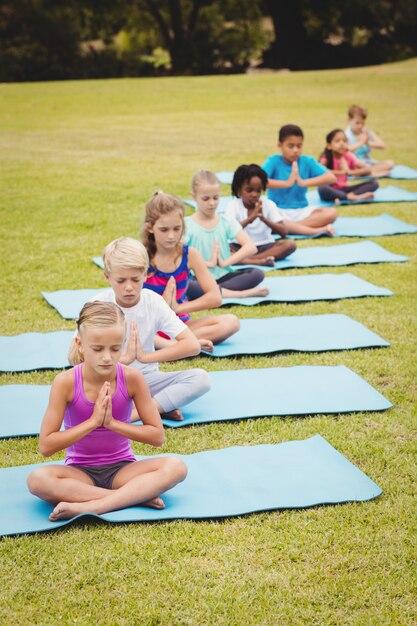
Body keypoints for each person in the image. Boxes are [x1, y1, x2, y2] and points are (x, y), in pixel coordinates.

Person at [27, 301, 188, 521]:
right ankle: (134, 497)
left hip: (123, 470)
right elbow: (46, 445)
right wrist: (93, 422)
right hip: (79, 472)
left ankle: (94, 505)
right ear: (80, 344)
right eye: (97, 349)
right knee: (37, 479)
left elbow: (157, 437)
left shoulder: (132, 378)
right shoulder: (65, 382)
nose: (107, 357)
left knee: (176, 467)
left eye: (115, 348)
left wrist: (112, 424)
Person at [75, 237, 210, 422]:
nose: (129, 287)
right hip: (107, 381)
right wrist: (122, 361)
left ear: (146, 274)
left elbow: (192, 345)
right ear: (107, 277)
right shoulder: (97, 305)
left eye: (135, 279)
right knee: (84, 394)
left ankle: (135, 414)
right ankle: (160, 406)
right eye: (121, 280)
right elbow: (75, 357)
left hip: (146, 380)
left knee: (201, 379)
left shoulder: (153, 301)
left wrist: (145, 357)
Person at [142, 191, 240, 352]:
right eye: (164, 229)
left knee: (231, 322)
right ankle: (180, 346)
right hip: (148, 328)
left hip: (179, 326)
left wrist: (177, 308)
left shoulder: (190, 254)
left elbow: (215, 297)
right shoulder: (141, 257)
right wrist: (162, 309)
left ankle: (178, 345)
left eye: (177, 228)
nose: (172, 236)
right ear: (150, 228)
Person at [185, 170, 269, 300]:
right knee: (187, 285)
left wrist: (225, 263)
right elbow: (179, 259)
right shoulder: (186, 224)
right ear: (193, 196)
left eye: (216, 198)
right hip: (198, 278)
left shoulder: (225, 220)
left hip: (224, 276)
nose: (212, 203)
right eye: (206, 199)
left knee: (257, 274)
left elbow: (251, 247)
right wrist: (207, 264)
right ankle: (240, 294)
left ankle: (214, 291)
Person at [225, 164, 334, 260]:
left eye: (258, 190)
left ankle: (251, 259)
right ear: (239, 190)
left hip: (265, 246)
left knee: (289, 244)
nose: (254, 194)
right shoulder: (233, 206)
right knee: (220, 248)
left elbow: (283, 232)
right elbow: (228, 233)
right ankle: (252, 259)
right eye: (249, 190)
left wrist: (264, 219)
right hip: (240, 246)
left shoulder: (268, 204)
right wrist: (250, 219)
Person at [262, 124, 337, 228]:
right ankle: (295, 227)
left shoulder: (307, 161)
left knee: (331, 213)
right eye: (291, 146)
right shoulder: (273, 161)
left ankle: (289, 227)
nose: (295, 150)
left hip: (302, 211)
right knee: (259, 213)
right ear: (280, 145)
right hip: (277, 210)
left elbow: (331, 178)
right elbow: (259, 182)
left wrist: (303, 182)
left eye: (299, 146)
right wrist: (287, 183)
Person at [318, 128, 379, 203]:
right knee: (322, 188)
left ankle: (350, 195)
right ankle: (351, 197)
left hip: (344, 189)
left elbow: (367, 169)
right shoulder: (326, 157)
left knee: (374, 183)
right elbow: (320, 172)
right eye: (337, 141)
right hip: (330, 189)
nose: (342, 143)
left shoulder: (348, 155)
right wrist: (342, 172)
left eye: (344, 141)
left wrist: (349, 172)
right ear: (329, 146)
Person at [345, 104, 394, 177]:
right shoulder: (346, 135)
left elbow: (382, 145)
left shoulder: (366, 131)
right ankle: (369, 173)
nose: (360, 126)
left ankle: (368, 172)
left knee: (390, 163)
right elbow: (346, 152)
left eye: (362, 123)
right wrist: (361, 143)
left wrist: (367, 142)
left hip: (368, 162)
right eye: (357, 123)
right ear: (349, 120)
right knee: (355, 167)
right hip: (355, 164)